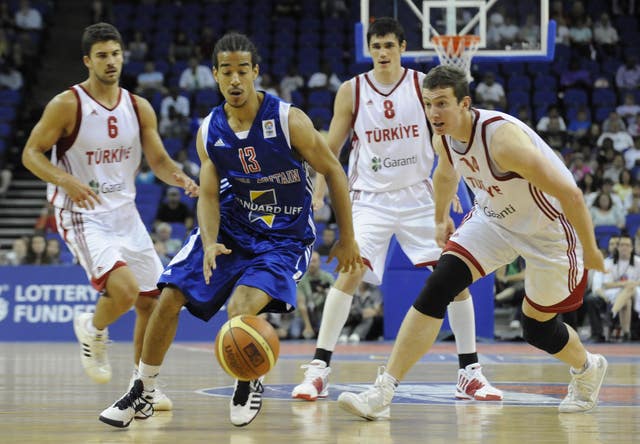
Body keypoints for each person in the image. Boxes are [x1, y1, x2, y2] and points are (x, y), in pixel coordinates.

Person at [98, 32, 361, 429]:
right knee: (169, 296)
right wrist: (208, 242)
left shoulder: (289, 120)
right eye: (226, 72)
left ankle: (247, 379)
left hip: (283, 237)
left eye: (242, 71)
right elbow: (207, 195)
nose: (235, 80)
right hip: (234, 227)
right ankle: (143, 389)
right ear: (216, 77)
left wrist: (347, 237)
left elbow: (334, 171)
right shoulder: (210, 131)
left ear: (255, 73)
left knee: (238, 310)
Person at [337, 65, 608, 420]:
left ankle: (588, 367)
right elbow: (446, 173)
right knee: (439, 284)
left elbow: (570, 193)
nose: (434, 113)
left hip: (550, 234)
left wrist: (589, 248)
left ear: (464, 103)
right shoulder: (443, 136)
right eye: (429, 103)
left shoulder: (503, 141)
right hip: (494, 220)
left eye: (442, 104)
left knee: (537, 328)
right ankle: (383, 391)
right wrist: (439, 219)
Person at [291, 18, 501, 403]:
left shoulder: (423, 87)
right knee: (350, 273)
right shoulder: (351, 91)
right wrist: (319, 187)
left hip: (419, 196)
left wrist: (450, 182)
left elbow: (443, 135)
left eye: (389, 45)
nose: (383, 52)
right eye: (376, 46)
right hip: (369, 199)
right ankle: (319, 368)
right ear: (369, 50)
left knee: (454, 275)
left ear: (402, 46)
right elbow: (329, 146)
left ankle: (470, 373)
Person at [21, 23, 199, 411]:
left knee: (154, 301)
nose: (111, 61)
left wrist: (182, 177)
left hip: (125, 214)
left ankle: (142, 388)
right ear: (88, 61)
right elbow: (31, 153)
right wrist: (64, 180)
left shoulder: (139, 106)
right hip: (82, 214)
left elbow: (158, 160)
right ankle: (93, 327)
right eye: (102, 55)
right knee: (124, 290)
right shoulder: (67, 104)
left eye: (115, 54)